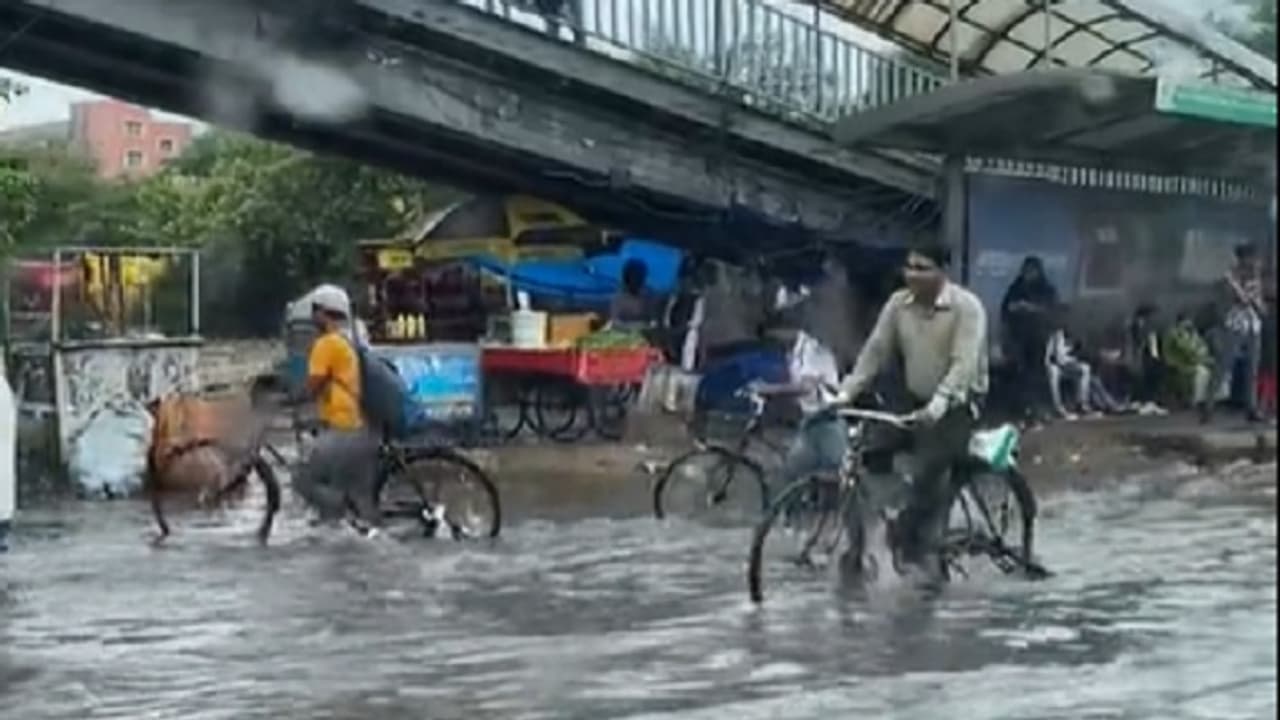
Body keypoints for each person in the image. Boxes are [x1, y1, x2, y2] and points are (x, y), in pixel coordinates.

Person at [833, 240, 988, 585]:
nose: (913, 275)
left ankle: (921, 551)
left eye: (923, 268)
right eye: (909, 267)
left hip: (958, 403)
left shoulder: (967, 308)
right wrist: (847, 391)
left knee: (929, 472)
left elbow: (964, 364)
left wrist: (940, 403)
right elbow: (875, 351)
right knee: (867, 454)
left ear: (942, 273)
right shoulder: (897, 305)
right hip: (914, 397)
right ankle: (872, 537)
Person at [293, 284, 380, 533]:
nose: (312, 318)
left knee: (303, 480)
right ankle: (349, 529)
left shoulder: (327, 344)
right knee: (354, 491)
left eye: (315, 312)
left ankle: (336, 517)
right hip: (362, 428)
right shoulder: (351, 340)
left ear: (325, 313)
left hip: (343, 428)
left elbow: (313, 385)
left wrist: (289, 400)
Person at [749, 305, 843, 492]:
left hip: (826, 421)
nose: (773, 340)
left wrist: (769, 390)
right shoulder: (793, 352)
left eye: (775, 334)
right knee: (796, 474)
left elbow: (806, 387)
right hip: (812, 419)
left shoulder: (813, 349)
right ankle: (793, 516)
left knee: (833, 477)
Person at [1203, 243, 1265, 424]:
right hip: (1234, 325)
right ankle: (1208, 407)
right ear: (1243, 259)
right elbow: (1231, 301)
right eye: (1252, 259)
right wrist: (1245, 297)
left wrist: (1258, 304)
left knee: (1252, 369)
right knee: (1223, 366)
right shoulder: (1229, 278)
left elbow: (1258, 303)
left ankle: (1251, 408)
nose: (1255, 263)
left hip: (1253, 325)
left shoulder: (1255, 278)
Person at [1000, 257, 1059, 422]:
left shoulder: (1046, 289)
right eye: (1026, 270)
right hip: (1018, 338)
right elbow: (1005, 309)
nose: (1028, 274)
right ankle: (1022, 410)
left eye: (1032, 271)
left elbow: (1052, 311)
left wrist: (1030, 309)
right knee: (1020, 375)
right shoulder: (1016, 288)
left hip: (1038, 338)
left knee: (1038, 374)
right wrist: (1015, 309)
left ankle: (1040, 410)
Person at [1043, 306, 1096, 420]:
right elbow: (1058, 358)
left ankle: (1082, 404)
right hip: (1053, 366)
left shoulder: (1072, 336)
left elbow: (1070, 354)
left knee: (1085, 369)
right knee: (1053, 373)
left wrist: (1076, 357)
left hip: (1064, 367)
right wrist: (1073, 361)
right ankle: (1058, 408)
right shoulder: (1057, 335)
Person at [1163, 311, 1213, 411]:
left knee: (1209, 370)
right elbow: (1185, 349)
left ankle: (1203, 399)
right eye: (1187, 321)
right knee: (1201, 372)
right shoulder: (1175, 333)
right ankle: (1196, 400)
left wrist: (1203, 356)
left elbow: (1202, 346)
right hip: (1178, 363)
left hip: (1190, 360)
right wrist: (1200, 357)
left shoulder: (1191, 332)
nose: (1189, 323)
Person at [1125, 304, 1167, 415]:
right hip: (1144, 356)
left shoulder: (1144, 327)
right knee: (1147, 380)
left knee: (1149, 379)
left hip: (1147, 356)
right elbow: (1142, 343)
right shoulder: (1139, 326)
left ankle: (1147, 402)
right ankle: (1146, 402)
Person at [609, 258, 652, 332]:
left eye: (641, 276)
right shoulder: (619, 298)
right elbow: (615, 322)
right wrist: (635, 326)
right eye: (635, 276)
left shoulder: (648, 296)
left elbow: (653, 320)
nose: (639, 280)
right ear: (627, 277)